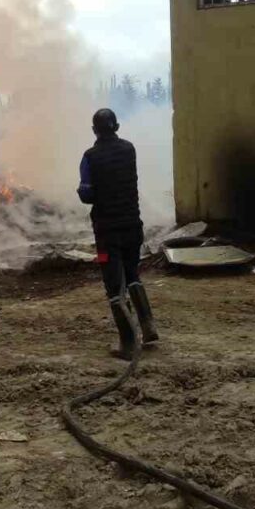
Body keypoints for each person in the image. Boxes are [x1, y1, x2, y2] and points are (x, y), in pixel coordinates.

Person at [78, 108, 159, 359]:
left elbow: (87, 194)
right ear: (117, 126)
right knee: (132, 274)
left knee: (114, 285)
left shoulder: (89, 157)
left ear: (94, 130)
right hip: (133, 226)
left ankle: (128, 343)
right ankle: (148, 328)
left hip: (106, 231)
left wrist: (83, 192)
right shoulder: (129, 149)